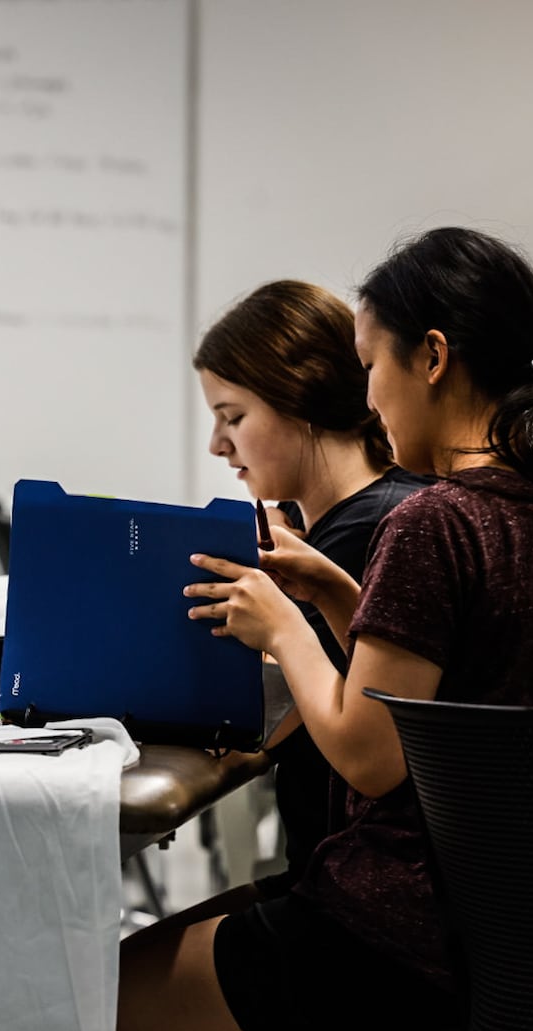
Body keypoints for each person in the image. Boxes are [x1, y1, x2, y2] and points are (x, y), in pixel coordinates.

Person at [118, 227, 533, 1031]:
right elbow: (461, 697)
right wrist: (346, 598)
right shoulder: (523, 504)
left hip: (393, 933)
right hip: (503, 936)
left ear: (431, 357)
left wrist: (284, 625)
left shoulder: (438, 520)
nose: (370, 397)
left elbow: (372, 755)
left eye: (370, 366)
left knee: (74, 999)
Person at [194, 279, 428, 887]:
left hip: (354, 884)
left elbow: (274, 716)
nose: (218, 444)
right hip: (344, 874)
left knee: (112, 976)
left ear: (297, 399)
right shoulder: (340, 527)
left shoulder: (374, 531)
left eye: (233, 417)